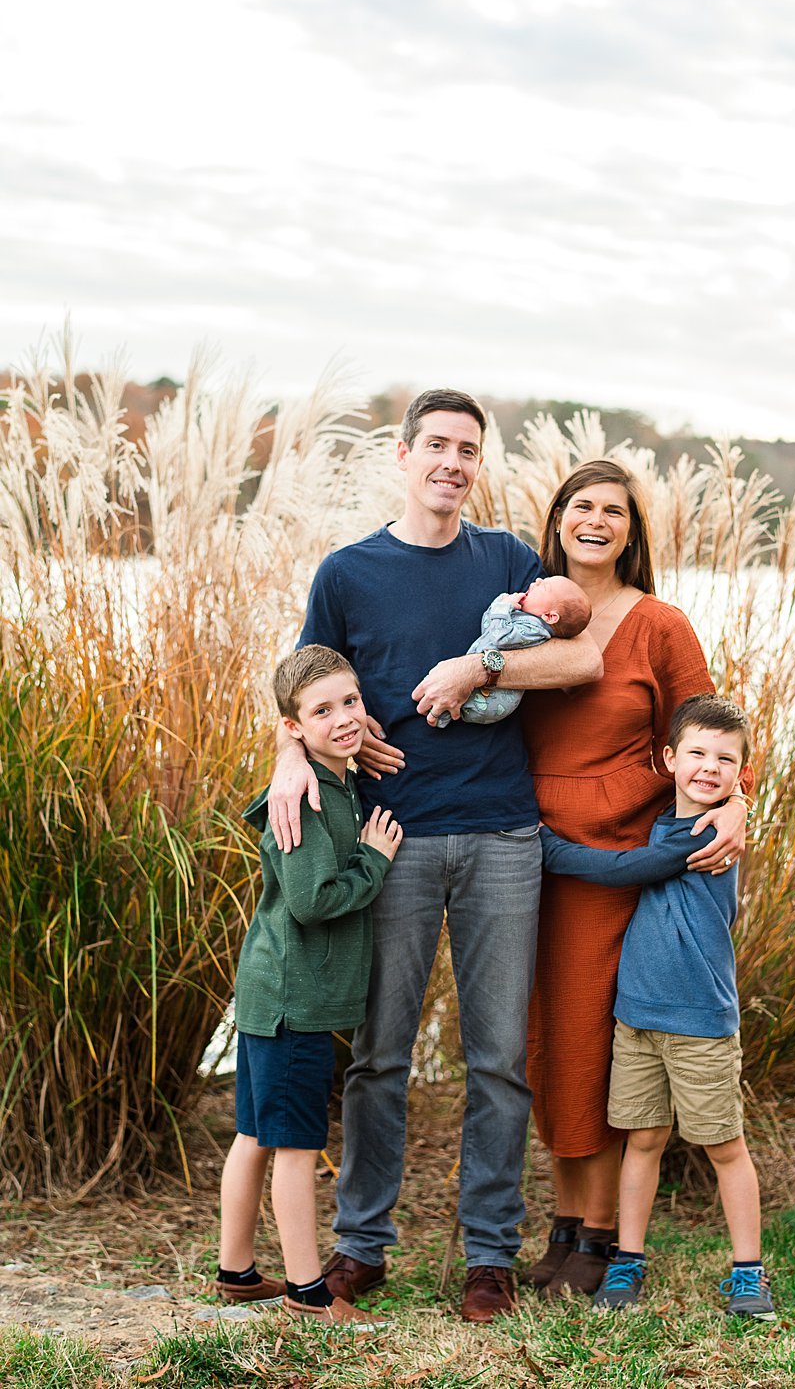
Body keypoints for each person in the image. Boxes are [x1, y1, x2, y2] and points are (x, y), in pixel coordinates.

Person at [268, 388, 605, 1322]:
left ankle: (489, 1255)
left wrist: (478, 667)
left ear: (477, 465)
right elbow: (299, 693)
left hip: (503, 837)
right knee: (380, 1056)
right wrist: (291, 756)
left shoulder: (504, 559)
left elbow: (581, 662)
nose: (454, 463)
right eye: (439, 447)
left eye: (469, 450)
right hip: (393, 840)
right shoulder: (347, 572)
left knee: (498, 1057)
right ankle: (361, 1244)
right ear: (404, 454)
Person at [517, 458, 749, 1300]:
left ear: (631, 531)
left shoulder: (661, 624)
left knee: (600, 1045)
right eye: (583, 506)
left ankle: (604, 1234)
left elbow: (711, 734)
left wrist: (739, 806)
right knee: (547, 1041)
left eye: (615, 511)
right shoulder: (523, 614)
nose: (597, 521)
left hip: (629, 863)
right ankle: (565, 1223)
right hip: (535, 855)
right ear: (559, 519)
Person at [536, 696, 773, 1321]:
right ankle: (628, 1259)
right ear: (668, 759)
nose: (709, 767)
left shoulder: (711, 834)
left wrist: (550, 849)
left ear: (740, 774)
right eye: (696, 753)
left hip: (699, 1022)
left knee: (725, 1145)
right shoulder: (662, 818)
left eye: (726, 759)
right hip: (637, 1021)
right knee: (641, 1140)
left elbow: (621, 870)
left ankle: (748, 1273)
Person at [220, 647, 402, 1326]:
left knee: (255, 1134)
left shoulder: (335, 779)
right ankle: (308, 1293)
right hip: (294, 1000)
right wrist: (375, 864)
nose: (344, 718)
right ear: (291, 728)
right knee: (294, 1147)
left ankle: (236, 1270)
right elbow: (311, 901)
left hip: (273, 990)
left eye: (350, 702)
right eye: (322, 711)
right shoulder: (304, 795)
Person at [434, 575, 593, 726]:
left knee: (457, 702)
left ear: (550, 616)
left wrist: (503, 607)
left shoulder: (534, 630)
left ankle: (442, 716)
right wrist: (502, 602)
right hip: (485, 694)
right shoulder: (524, 618)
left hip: (492, 701)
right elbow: (488, 627)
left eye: (545, 586)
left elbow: (500, 637)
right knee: (453, 699)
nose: (537, 580)